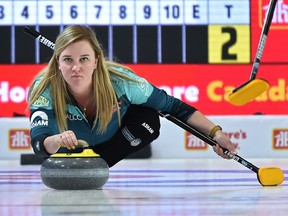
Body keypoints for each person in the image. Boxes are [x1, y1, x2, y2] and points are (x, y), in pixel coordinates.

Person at [28, 25, 237, 167]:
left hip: (109, 148)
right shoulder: (43, 87)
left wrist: (216, 133)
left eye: (84, 59)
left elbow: (175, 108)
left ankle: (101, 164)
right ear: (57, 63)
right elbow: (39, 143)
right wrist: (55, 142)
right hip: (68, 151)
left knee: (149, 117)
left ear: (96, 61)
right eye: (67, 60)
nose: (76, 68)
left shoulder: (124, 83)